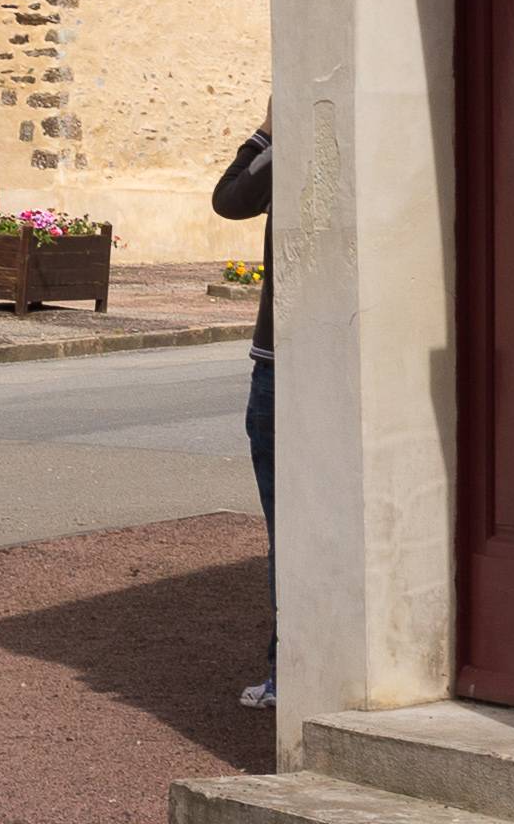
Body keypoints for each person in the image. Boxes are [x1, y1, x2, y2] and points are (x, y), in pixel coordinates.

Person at [214, 114, 274, 713]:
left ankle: (290, 671)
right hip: (289, 356)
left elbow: (230, 199)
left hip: (283, 361)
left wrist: (266, 133)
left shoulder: (293, 140)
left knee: (289, 527)